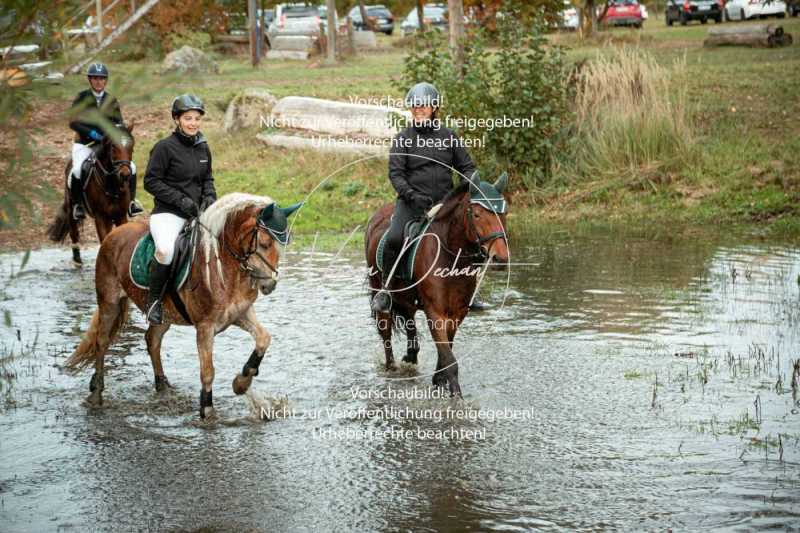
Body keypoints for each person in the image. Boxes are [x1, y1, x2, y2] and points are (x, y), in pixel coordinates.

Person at [371, 82, 478, 314]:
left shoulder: (449, 136)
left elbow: (467, 166)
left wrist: (468, 184)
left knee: (473, 236)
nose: (418, 109)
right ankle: (387, 291)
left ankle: (471, 291)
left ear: (433, 108)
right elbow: (396, 174)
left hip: (445, 204)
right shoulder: (403, 138)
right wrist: (411, 195)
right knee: (394, 238)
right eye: (414, 106)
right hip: (412, 203)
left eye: (423, 106)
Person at [143, 94, 217, 325]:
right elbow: (151, 182)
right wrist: (180, 200)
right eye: (188, 118)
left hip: (197, 212)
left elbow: (208, 178)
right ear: (177, 119)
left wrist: (210, 196)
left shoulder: (203, 147)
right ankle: (153, 301)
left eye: (197, 118)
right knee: (165, 250)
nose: (193, 123)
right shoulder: (164, 148)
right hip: (168, 214)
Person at [68, 62, 143, 220]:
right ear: (90, 80)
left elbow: (118, 123)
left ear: (106, 80)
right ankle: (78, 205)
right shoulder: (81, 98)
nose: (98, 82)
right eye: (95, 78)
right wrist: (93, 134)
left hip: (107, 145)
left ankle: (131, 203)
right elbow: (73, 122)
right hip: (84, 143)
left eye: (101, 79)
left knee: (132, 167)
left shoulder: (111, 100)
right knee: (77, 170)